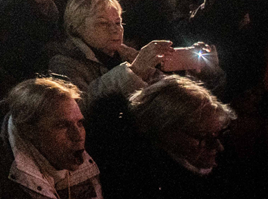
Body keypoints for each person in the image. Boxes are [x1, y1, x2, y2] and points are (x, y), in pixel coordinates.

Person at [87, 75, 237, 199]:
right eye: (204, 137)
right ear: (165, 129)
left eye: (218, 134)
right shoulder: (132, 180)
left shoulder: (226, 169)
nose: (218, 147)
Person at [0, 77, 102, 199]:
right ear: (29, 130)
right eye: (62, 125)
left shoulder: (76, 151)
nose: (77, 136)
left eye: (80, 123)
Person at [47, 0, 172, 108]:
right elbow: (82, 106)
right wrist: (134, 72)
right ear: (76, 28)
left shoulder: (128, 54)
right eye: (103, 23)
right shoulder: (64, 63)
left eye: (118, 22)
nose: (115, 29)